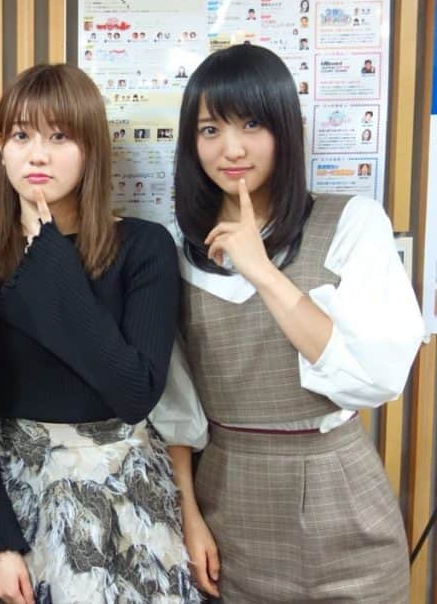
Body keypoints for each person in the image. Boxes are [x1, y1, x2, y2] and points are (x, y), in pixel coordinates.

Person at [167, 43, 422, 601]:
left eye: (252, 124)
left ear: (285, 129)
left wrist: (263, 271)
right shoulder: (176, 252)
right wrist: (189, 514)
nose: (232, 148)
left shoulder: (351, 222)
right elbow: (176, 406)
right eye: (210, 129)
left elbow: (375, 378)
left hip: (340, 492)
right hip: (228, 498)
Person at [0, 63, 199, 603]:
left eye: (59, 137)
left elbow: (134, 392)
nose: (37, 155)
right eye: (21, 136)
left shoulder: (144, 248)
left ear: (90, 148)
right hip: (24, 497)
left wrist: (48, 254)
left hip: (127, 501)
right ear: (0, 147)